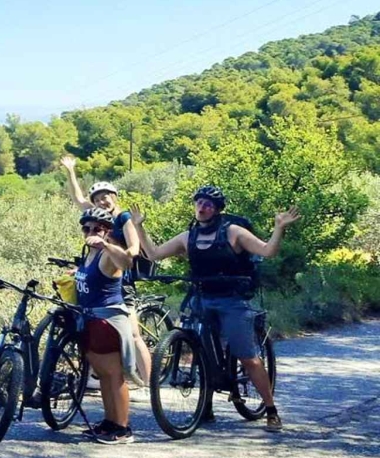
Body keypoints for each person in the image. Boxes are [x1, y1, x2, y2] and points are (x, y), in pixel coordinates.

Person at [135, 185, 299, 430]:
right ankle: (206, 404)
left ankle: (271, 409)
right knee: (198, 345)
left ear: (218, 210)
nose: (202, 207)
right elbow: (153, 254)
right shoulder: (187, 236)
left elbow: (267, 251)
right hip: (200, 297)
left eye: (208, 204)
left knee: (248, 358)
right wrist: (139, 226)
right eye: (199, 202)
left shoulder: (233, 232)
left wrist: (278, 228)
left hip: (232, 300)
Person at [61, 155, 154, 391]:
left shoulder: (123, 218)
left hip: (121, 281)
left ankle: (149, 384)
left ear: (115, 197)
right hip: (99, 278)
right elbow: (78, 199)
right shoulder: (96, 219)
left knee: (133, 334)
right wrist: (71, 170)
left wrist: (112, 251)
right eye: (98, 198)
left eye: (107, 196)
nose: (103, 201)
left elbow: (133, 250)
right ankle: (105, 375)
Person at [75, 206, 139, 443]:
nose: (91, 232)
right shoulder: (88, 253)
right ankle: (110, 421)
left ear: (107, 231)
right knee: (103, 375)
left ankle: (122, 427)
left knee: (113, 375)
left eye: (97, 228)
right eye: (87, 228)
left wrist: (107, 245)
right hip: (90, 320)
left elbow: (127, 262)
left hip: (107, 321)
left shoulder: (108, 253)